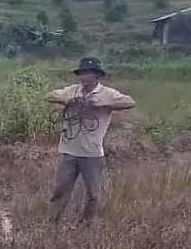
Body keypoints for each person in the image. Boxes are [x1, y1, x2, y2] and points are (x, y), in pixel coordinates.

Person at [44, 57, 136, 225]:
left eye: (88, 73)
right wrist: (66, 101)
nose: (84, 77)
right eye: (82, 73)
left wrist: (103, 104)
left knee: (93, 193)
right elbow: (50, 95)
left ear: (97, 76)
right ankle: (50, 223)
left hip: (92, 153)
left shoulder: (107, 93)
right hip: (69, 151)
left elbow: (130, 102)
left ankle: (87, 223)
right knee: (60, 190)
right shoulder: (72, 90)